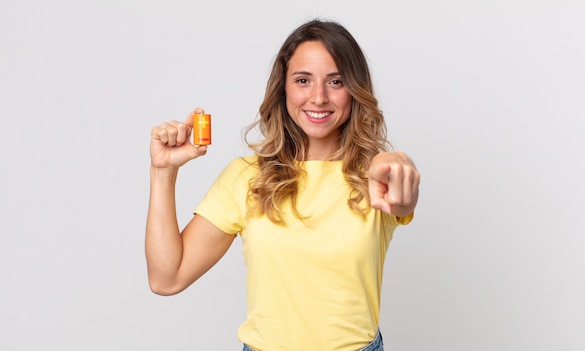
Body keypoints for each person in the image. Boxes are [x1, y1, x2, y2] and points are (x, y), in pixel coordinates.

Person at [146, 19, 420, 351]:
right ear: (284, 88)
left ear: (354, 90)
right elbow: (166, 278)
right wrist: (163, 172)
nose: (318, 97)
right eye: (303, 80)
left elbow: (402, 198)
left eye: (336, 81)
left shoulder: (375, 177)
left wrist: (399, 166)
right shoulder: (246, 177)